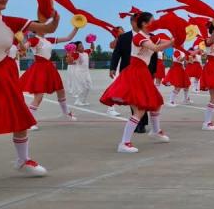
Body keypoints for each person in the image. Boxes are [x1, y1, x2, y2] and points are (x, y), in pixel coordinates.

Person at [0, 0, 60, 176]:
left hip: (5, 74)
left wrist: (54, 19)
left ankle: (23, 160)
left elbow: (47, 29)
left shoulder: (12, 22)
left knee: (20, 117)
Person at [101, 12, 173, 152]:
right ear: (144, 24)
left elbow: (164, 41)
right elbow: (156, 48)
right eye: (152, 21)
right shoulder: (138, 37)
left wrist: (174, 38)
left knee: (156, 103)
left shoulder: (151, 36)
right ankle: (124, 143)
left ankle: (155, 131)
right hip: (135, 73)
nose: (155, 23)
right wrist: (171, 42)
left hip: (143, 73)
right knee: (139, 109)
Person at [21, 25, 79, 127]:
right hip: (39, 68)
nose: (46, 28)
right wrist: (21, 41)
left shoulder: (48, 40)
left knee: (61, 90)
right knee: (39, 96)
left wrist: (76, 27)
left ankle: (66, 113)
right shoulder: (34, 39)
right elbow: (24, 47)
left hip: (49, 67)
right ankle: (28, 121)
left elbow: (68, 38)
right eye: (42, 27)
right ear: (37, 29)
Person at [110, 12, 158, 133]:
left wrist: (153, 71)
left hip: (145, 71)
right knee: (134, 98)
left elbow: (154, 56)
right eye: (136, 21)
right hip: (128, 71)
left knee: (144, 97)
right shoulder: (124, 37)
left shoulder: (150, 36)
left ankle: (142, 123)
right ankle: (138, 122)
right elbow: (117, 53)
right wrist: (112, 68)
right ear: (132, 23)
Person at [67, 40, 94, 106]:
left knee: (88, 87)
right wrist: (69, 52)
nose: (82, 47)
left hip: (86, 72)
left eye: (82, 45)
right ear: (76, 48)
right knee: (81, 88)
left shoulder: (86, 52)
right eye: (80, 46)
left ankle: (83, 101)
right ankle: (77, 101)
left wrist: (92, 41)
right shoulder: (76, 54)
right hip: (79, 73)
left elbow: (92, 49)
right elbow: (69, 62)